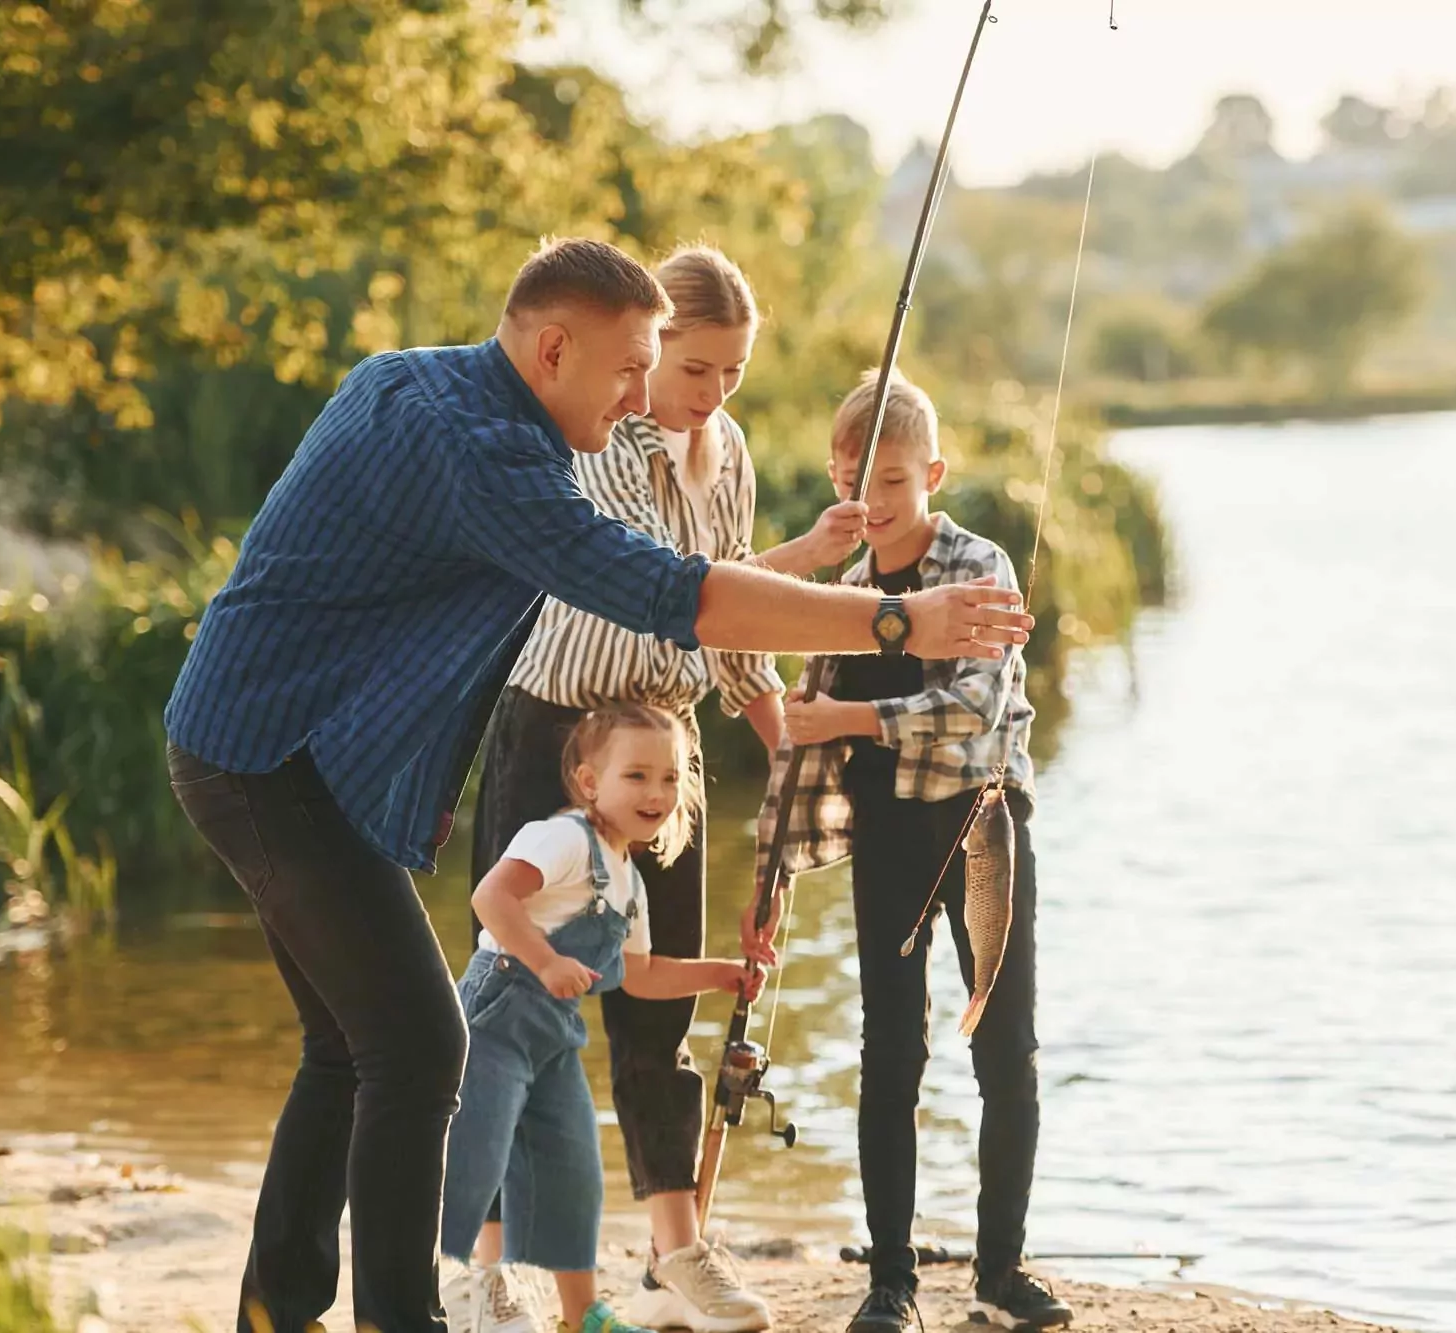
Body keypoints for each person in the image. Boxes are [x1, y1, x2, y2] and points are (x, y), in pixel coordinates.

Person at [162, 238, 1033, 1333]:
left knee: (350, 1044)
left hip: (291, 748)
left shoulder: (414, 377)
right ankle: (395, 1317)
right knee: (421, 1043)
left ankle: (275, 1313)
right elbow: (673, 594)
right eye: (632, 368)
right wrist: (896, 619)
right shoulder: (484, 454)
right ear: (552, 347)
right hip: (267, 758)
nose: (642, 396)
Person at [465, 245, 859, 1333]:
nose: (709, 395)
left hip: (664, 741)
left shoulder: (723, 447)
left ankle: (678, 1253)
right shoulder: (600, 438)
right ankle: (488, 1272)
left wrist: (780, 737)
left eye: (732, 375)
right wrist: (795, 570)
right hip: (555, 733)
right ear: (652, 348)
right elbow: (657, 587)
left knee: (658, 1011)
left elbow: (728, 620)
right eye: (695, 369)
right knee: (513, 1012)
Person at [747, 370, 1073, 1332]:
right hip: (885, 831)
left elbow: (971, 710)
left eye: (891, 479)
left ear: (932, 471)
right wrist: (770, 866)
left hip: (981, 827)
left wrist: (843, 715)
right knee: (890, 1050)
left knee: (1005, 1049)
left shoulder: (982, 567)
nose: (873, 500)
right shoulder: (843, 591)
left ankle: (1000, 1271)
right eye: (852, 479)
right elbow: (776, 703)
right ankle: (891, 1280)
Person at [443, 703, 770, 1333]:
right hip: (494, 1018)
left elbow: (640, 975)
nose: (658, 792)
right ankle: (476, 1290)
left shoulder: (627, 880)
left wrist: (720, 972)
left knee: (573, 1171)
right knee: (484, 1156)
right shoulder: (562, 838)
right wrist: (542, 961)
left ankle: (581, 1314)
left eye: (671, 778)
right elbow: (491, 896)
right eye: (637, 776)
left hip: (552, 1035)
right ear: (591, 782)